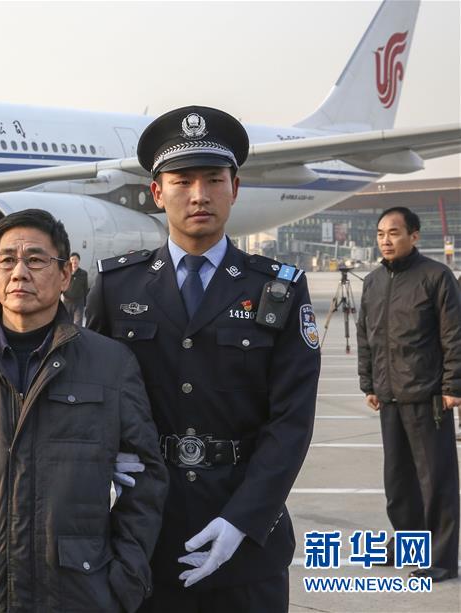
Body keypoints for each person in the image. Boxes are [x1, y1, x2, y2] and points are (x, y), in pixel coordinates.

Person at [86, 106, 321, 612]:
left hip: (248, 538)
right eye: (182, 181)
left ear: (235, 188)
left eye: (214, 179)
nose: (199, 195)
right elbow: (90, 393)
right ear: (156, 192)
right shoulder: (117, 286)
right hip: (146, 531)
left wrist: (243, 520)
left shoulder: (278, 289)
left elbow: (292, 421)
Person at [0, 209, 168, 612]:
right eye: (7, 260)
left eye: (36, 260)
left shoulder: (111, 365)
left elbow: (146, 482)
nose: (19, 272)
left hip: (78, 593)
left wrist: (123, 581)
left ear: (66, 273)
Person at [356, 206, 461, 582]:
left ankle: (442, 557)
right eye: (381, 234)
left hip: (428, 396)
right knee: (398, 480)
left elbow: (453, 334)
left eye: (394, 233)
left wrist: (453, 386)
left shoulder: (436, 276)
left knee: (436, 480)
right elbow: (366, 333)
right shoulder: (373, 281)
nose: (386, 240)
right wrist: (369, 383)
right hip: (389, 395)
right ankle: (407, 542)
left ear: (414, 236)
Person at [62, 252, 89, 325]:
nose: (74, 261)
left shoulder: (83, 273)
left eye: (76, 259)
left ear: (79, 261)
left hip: (78, 302)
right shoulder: (65, 273)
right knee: (67, 322)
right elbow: (61, 286)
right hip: (67, 302)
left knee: (78, 323)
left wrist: (85, 303)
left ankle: (77, 333)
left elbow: (85, 288)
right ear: (69, 261)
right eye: (72, 259)